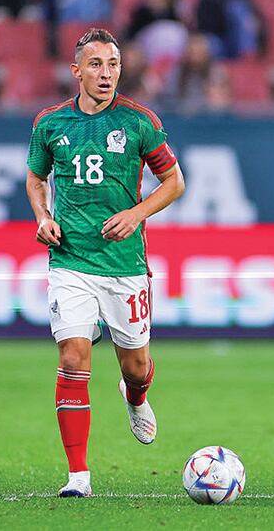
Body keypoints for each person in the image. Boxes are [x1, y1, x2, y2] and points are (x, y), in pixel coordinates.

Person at [25, 27, 185, 498]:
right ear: (77, 71)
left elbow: (174, 182)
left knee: (135, 366)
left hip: (124, 265)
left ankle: (135, 396)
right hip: (70, 260)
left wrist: (136, 214)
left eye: (113, 65)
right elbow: (36, 178)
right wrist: (42, 215)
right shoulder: (50, 123)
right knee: (73, 356)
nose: (106, 73)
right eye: (96, 65)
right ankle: (79, 477)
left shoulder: (139, 122)